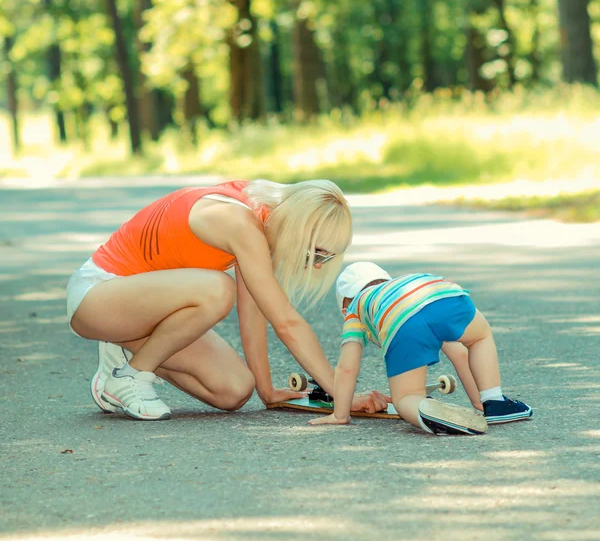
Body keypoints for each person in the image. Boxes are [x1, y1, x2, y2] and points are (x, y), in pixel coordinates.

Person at [66, 179, 389, 421]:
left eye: (327, 256)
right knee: (218, 289)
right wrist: (342, 393)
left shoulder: (265, 220)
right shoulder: (238, 221)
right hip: (97, 298)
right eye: (316, 252)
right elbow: (286, 322)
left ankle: (123, 350)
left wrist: (267, 391)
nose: (318, 264)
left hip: (137, 307)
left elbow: (255, 314)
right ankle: (131, 376)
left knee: (233, 391)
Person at [308, 262, 533, 435]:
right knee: (479, 338)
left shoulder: (355, 310)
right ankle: (494, 401)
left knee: (405, 396)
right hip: (444, 294)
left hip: (403, 321)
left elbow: (347, 367)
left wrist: (340, 414)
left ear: (344, 308)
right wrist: (478, 402)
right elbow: (459, 353)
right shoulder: (400, 285)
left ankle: (422, 409)